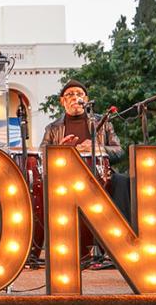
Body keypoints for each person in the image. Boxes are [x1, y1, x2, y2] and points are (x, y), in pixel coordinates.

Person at [40, 80, 131, 222]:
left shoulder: (103, 122)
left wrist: (98, 149)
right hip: (66, 178)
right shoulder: (52, 128)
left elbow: (119, 152)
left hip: (101, 176)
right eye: (69, 94)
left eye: (79, 94)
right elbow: (41, 156)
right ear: (62, 101)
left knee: (122, 181)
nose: (75, 97)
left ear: (86, 100)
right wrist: (60, 150)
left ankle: (123, 233)